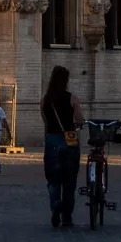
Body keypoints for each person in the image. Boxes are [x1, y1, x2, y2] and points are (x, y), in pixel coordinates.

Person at [39, 63, 83, 228]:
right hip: (69, 141)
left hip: (52, 140)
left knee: (53, 180)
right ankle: (67, 218)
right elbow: (79, 120)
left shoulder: (45, 100)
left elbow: (45, 121)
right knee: (69, 182)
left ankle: (56, 203)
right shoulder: (72, 98)